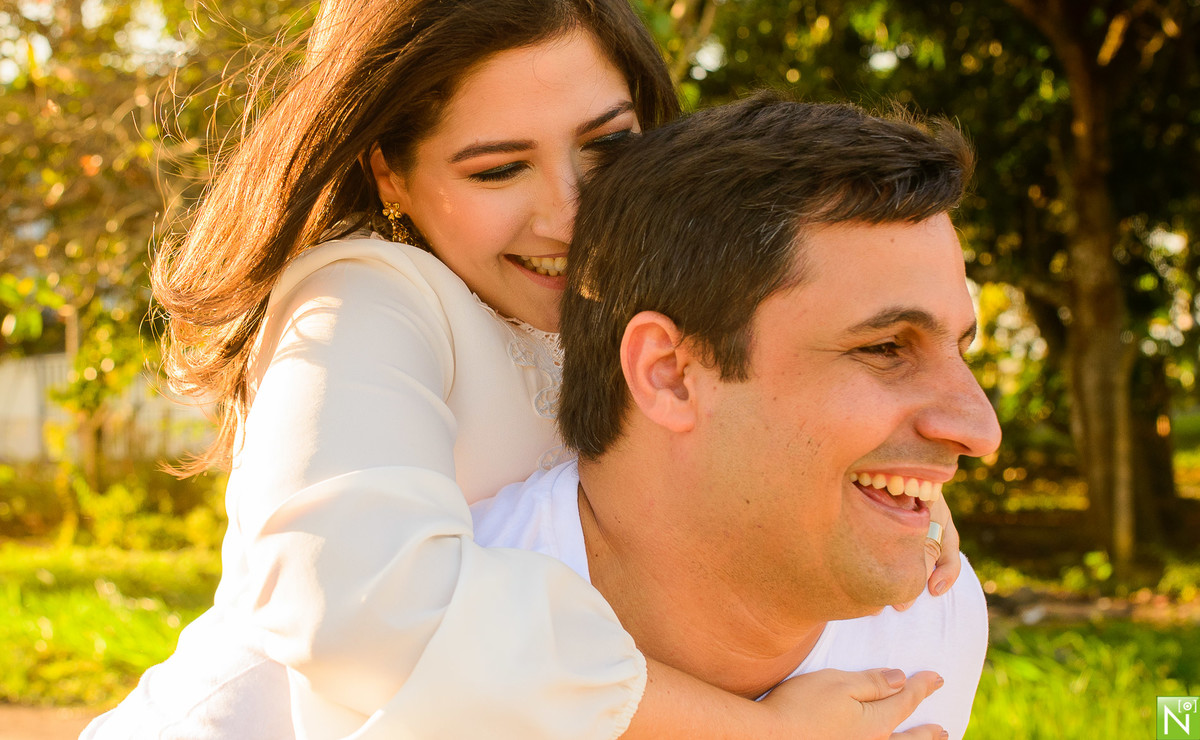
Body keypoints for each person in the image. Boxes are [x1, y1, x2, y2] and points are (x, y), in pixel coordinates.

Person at [82, 1, 964, 738]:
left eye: (607, 146)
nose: (570, 212)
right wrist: (759, 732)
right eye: (500, 168)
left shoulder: (632, 316)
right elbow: (351, 602)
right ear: (388, 174)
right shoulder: (370, 298)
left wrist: (884, 501)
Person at [476, 94, 999, 739]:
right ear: (669, 372)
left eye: (960, 349)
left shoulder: (929, 622)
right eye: (885, 348)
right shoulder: (426, 646)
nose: (979, 429)